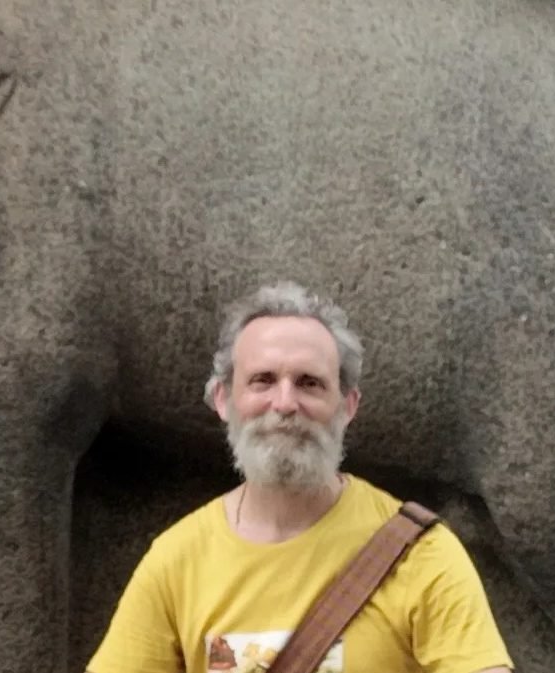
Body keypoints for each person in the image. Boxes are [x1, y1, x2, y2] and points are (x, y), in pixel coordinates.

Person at [87, 281, 513, 673]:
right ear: (223, 399)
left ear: (347, 405)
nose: (285, 403)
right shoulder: (176, 561)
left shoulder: (420, 553)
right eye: (262, 381)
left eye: (309, 383)